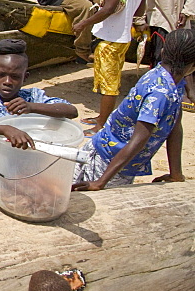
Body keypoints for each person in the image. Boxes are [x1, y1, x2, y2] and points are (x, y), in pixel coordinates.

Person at [72, 28, 194, 191]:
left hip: (120, 162)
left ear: (163, 52)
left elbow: (175, 126)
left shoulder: (174, 82)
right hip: (107, 160)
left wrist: (175, 174)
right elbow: (138, 140)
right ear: (192, 67)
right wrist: (100, 182)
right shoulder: (160, 93)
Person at [0, 39, 77, 181]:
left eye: (15, 77)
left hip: (35, 172)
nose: (7, 81)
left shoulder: (34, 97)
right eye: (1, 75)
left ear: (25, 77)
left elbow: (71, 111)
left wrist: (32, 107)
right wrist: (3, 129)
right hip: (0, 176)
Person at [71, 0, 146, 133]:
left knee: (109, 86)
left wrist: (83, 23)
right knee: (110, 80)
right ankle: (101, 117)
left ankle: (101, 126)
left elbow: (109, 8)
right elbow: (140, 9)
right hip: (123, 37)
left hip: (112, 40)